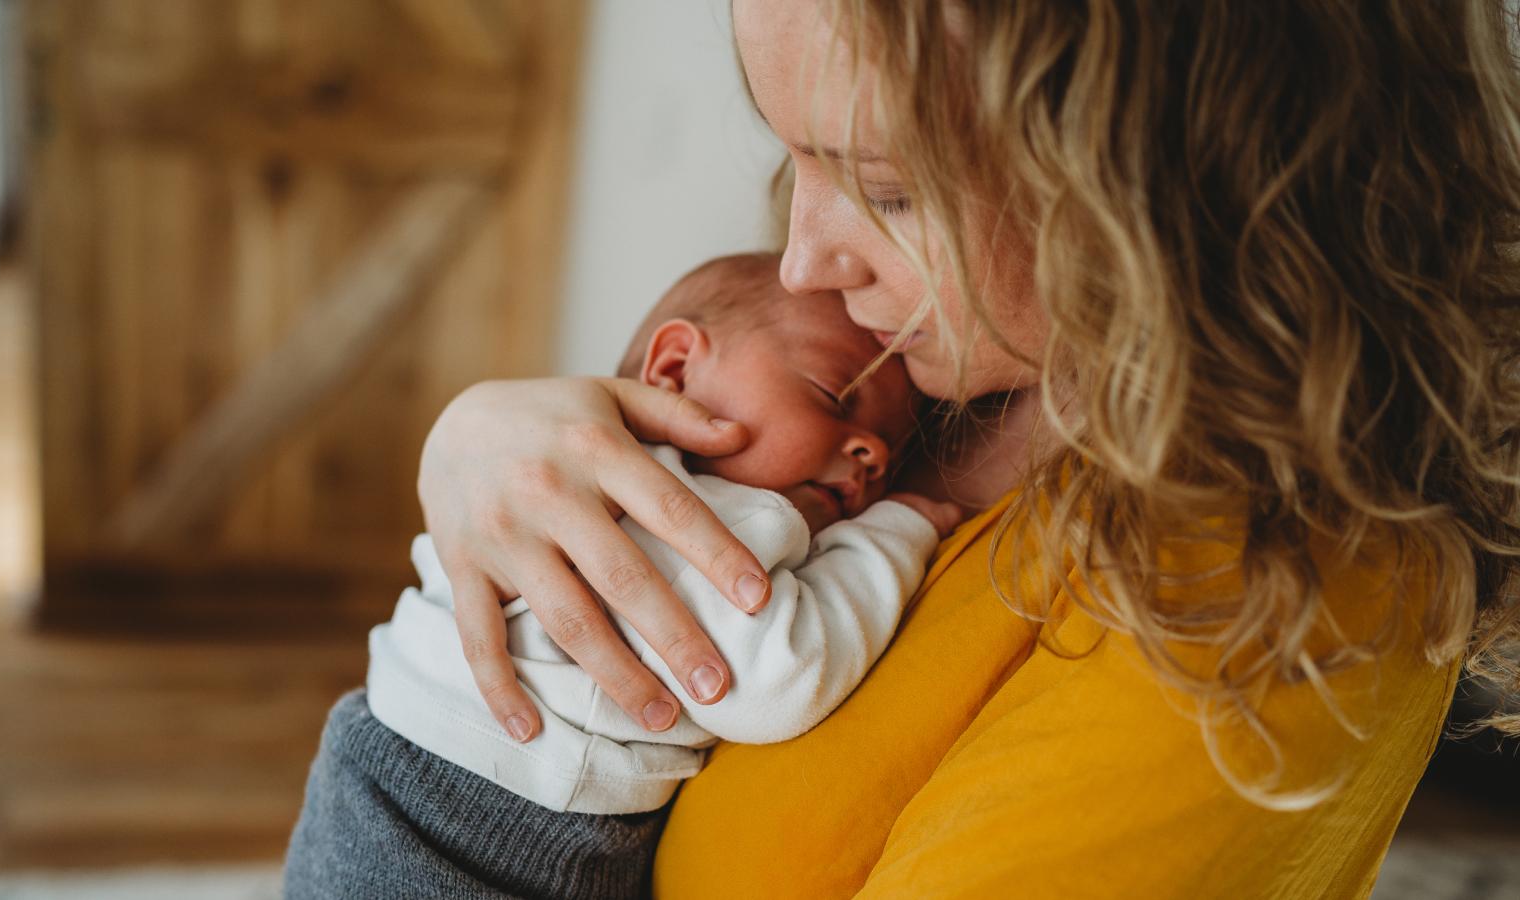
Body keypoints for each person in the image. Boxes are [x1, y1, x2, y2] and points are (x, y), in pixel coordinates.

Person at [411, 1, 1520, 897]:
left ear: (1156, 173)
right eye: (795, 154)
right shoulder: (915, 385)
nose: (800, 261)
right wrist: (488, 438)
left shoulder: (1277, 585)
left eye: (888, 187)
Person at [283, 254, 963, 898]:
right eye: (833, 395)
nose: (870, 451)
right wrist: (897, 527)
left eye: (892, 455)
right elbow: (779, 680)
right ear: (673, 369)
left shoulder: (565, 465)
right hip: (471, 822)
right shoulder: (705, 511)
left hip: (389, 759)